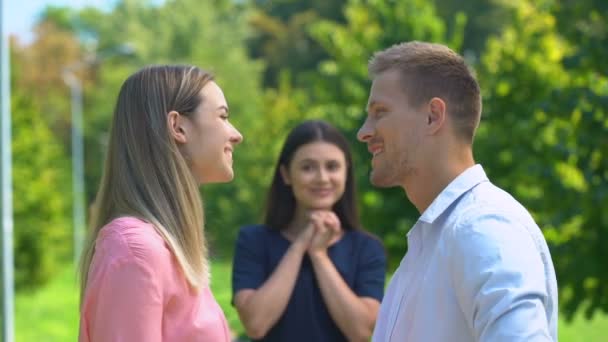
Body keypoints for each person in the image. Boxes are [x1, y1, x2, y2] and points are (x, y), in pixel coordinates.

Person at [357, 41, 558, 341]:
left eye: (380, 112)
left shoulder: (482, 227)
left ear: (433, 116)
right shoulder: (432, 243)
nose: (364, 132)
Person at [78, 65, 243, 341]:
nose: (236, 134)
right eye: (223, 117)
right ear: (178, 126)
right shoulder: (135, 249)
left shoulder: (165, 248)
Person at [232, 120, 387, 342]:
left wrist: (319, 255)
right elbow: (256, 324)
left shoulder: (367, 248)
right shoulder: (253, 240)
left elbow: (361, 331)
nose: (322, 178)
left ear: (346, 173)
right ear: (286, 174)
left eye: (332, 166)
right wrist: (299, 246)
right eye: (308, 167)